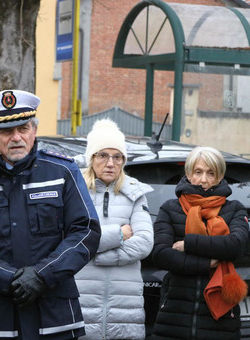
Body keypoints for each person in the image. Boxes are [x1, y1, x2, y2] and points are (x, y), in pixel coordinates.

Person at [0, 89, 101, 340]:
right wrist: (8, 279)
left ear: (34, 131)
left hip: (54, 315)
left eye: (23, 128)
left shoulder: (62, 171)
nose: (16, 137)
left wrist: (41, 275)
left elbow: (85, 232)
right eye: (6, 131)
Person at [151, 146, 249, 339]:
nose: (204, 180)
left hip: (220, 322)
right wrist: (207, 262)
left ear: (220, 176)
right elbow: (161, 254)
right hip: (175, 316)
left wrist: (188, 244)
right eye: (198, 172)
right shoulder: (170, 208)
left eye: (211, 173)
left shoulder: (235, 209)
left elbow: (236, 246)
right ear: (189, 174)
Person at [73, 119, 154, 340]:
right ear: (91, 158)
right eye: (103, 155)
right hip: (81, 304)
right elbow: (72, 241)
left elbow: (145, 242)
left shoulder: (135, 193)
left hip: (126, 309)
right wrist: (119, 235)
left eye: (117, 156)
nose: (110, 163)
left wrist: (97, 255)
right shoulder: (74, 191)